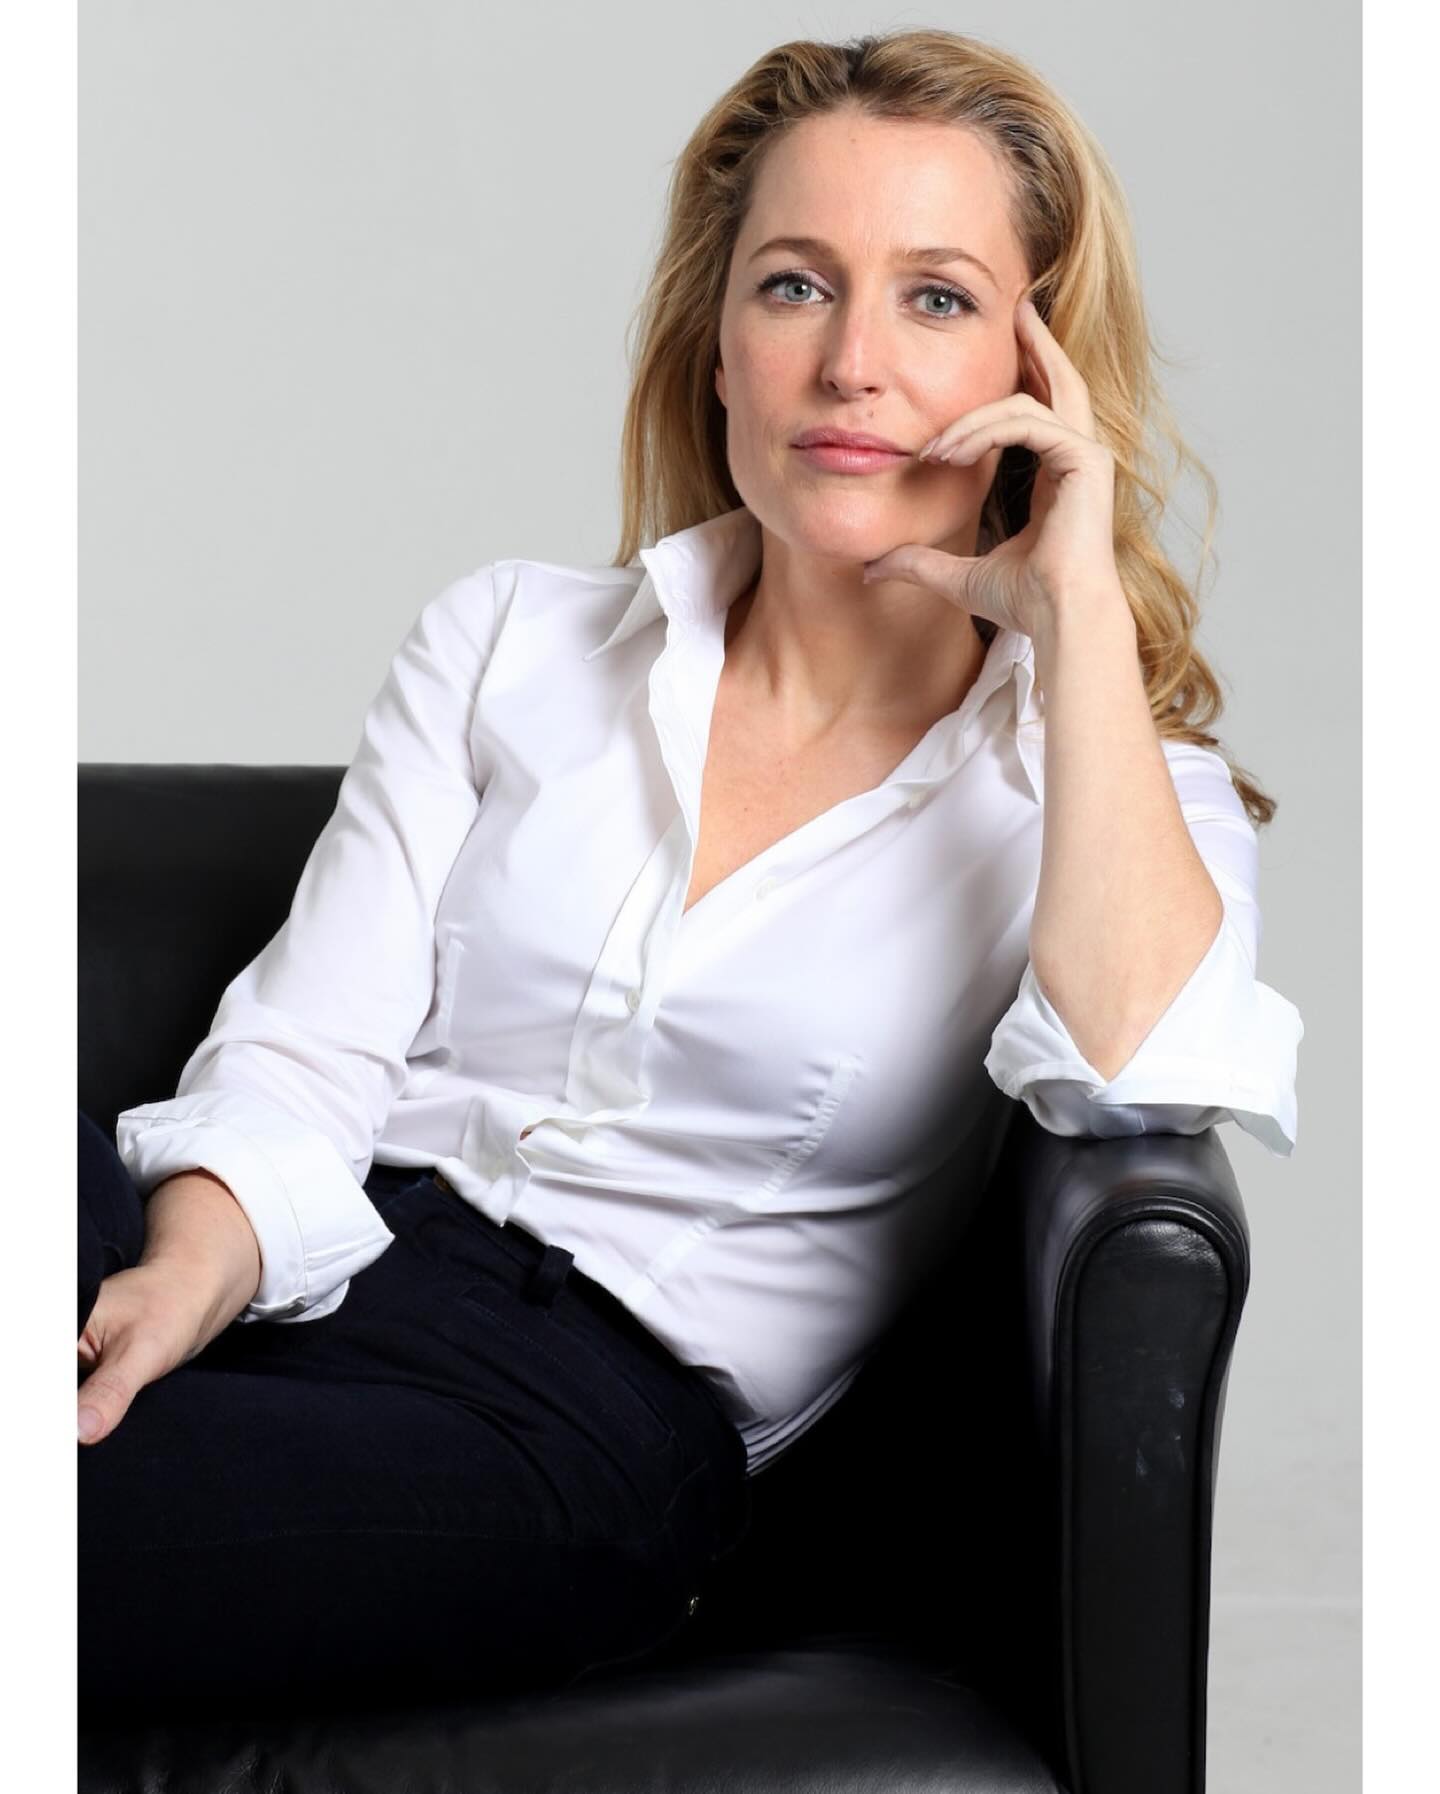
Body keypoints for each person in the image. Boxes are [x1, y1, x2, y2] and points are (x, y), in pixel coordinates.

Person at [77, 27, 1304, 1712]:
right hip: (307, 1250)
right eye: (796, 286)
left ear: (1040, 374)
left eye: (936, 299)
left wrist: (1078, 610)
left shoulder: (1103, 788)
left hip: (574, 1425)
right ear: (719, 347)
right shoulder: (511, 640)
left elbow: (1142, 1076)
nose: (852, 364)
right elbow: (307, 1052)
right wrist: (184, 1269)